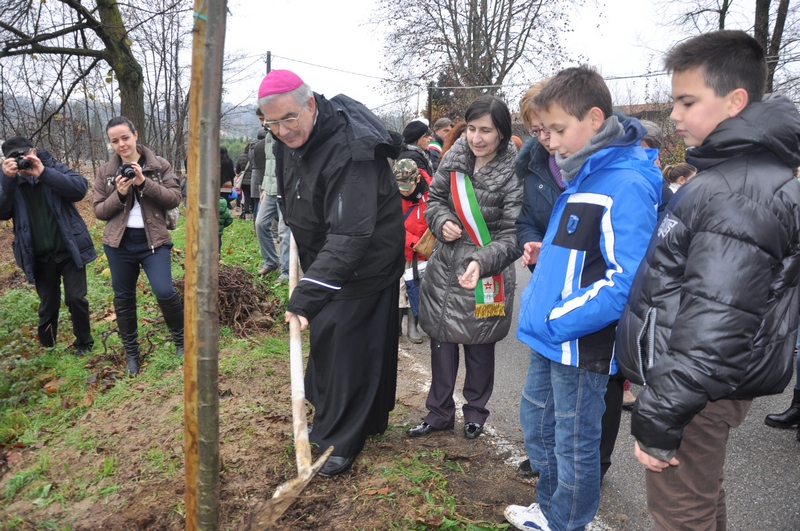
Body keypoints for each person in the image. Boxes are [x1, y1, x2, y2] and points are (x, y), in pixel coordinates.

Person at [615, 30, 800, 530]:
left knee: (681, 511)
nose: (674, 115)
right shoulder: (732, 177)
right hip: (699, 381)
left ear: (735, 100)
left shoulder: (737, 191)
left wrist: (660, 413)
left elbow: (714, 325)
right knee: (699, 495)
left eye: (687, 101)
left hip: (695, 386)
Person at [504, 65, 661, 531]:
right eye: (543, 130)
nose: (548, 141)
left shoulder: (626, 182)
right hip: (550, 335)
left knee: (573, 442)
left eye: (556, 129)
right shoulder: (585, 174)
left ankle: (567, 522)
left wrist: (560, 318)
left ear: (594, 118)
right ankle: (551, 509)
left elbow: (625, 279)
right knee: (540, 428)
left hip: (578, 340)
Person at [257, 69, 405, 477]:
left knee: (348, 345)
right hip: (326, 255)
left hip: (365, 258)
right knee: (334, 339)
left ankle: (340, 439)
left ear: (310, 105)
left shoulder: (349, 149)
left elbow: (351, 232)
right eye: (272, 123)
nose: (283, 131)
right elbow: (294, 189)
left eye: (289, 119)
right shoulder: (287, 138)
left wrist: (307, 295)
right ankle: (367, 420)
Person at [407, 95, 522, 441]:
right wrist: (441, 222)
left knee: (480, 346)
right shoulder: (454, 157)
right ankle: (439, 412)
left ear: (501, 132)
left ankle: (475, 412)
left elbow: (512, 233)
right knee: (441, 340)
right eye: (472, 128)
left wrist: (480, 260)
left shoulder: (514, 171)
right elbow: (436, 201)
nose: (477, 137)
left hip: (488, 271)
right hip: (445, 267)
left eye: (485, 130)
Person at [93, 116, 184, 375]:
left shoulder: (159, 165)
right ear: (111, 144)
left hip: (153, 240)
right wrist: (119, 194)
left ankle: (180, 341)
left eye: (125, 137)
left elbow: (174, 198)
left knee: (165, 291)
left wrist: (144, 183)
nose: (121, 144)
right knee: (123, 298)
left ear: (135, 135)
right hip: (118, 244)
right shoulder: (105, 172)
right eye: (115, 141)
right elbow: (99, 211)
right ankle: (132, 354)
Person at [0, 136, 96, 356]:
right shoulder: (9, 182)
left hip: (69, 250)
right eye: (15, 158)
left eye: (24, 155)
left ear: (33, 151)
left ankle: (84, 344)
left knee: (76, 299)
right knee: (48, 305)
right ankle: (49, 349)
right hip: (39, 256)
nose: (22, 160)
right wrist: (7, 180)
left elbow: (79, 189)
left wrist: (43, 173)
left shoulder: (52, 167)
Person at [394, 158, 431, 344]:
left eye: (406, 187)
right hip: (402, 250)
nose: (403, 191)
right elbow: (393, 224)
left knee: (417, 288)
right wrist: (413, 242)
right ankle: (397, 326)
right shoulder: (392, 194)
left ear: (417, 179)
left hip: (423, 251)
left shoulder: (431, 192)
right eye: (400, 186)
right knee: (399, 287)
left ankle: (412, 327)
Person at [255, 124, 291, 279]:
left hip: (285, 190)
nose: (262, 122)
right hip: (270, 189)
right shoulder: (268, 136)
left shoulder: (286, 132)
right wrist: (264, 187)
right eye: (260, 119)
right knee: (260, 224)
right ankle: (271, 262)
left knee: (284, 231)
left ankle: (287, 273)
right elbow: (269, 165)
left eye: (264, 118)